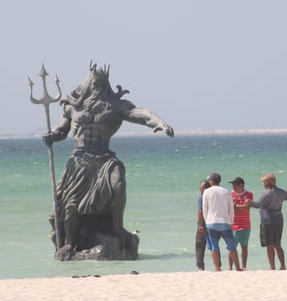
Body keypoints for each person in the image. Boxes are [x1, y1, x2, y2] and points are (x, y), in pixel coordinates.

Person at [43, 62, 174, 260]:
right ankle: (70, 241)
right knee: (71, 205)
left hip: (105, 158)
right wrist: (51, 136)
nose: (99, 88)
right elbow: (61, 130)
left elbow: (141, 114)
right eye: (96, 83)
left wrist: (159, 122)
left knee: (118, 184)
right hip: (79, 161)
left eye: (103, 84)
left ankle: (116, 227)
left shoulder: (114, 107)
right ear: (87, 83)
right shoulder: (73, 107)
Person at [250, 172, 287, 270]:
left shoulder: (266, 193)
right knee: (277, 245)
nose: (263, 183)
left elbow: (257, 205)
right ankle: (283, 266)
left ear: (269, 182)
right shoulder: (281, 192)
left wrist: (248, 202)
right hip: (278, 221)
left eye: (265, 181)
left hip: (267, 222)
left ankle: (272, 267)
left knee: (269, 245)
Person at [202, 172, 241, 271]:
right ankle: (237, 267)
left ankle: (217, 268)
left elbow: (204, 209)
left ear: (211, 180)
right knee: (231, 246)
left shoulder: (206, 192)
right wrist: (231, 221)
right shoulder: (226, 191)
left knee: (214, 246)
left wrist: (207, 221)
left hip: (211, 222)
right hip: (224, 221)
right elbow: (231, 208)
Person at [228, 177, 253, 270]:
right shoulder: (230, 194)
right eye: (233, 184)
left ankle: (244, 266)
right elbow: (229, 207)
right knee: (231, 248)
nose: (233, 186)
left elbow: (246, 207)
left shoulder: (249, 194)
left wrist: (234, 206)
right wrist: (239, 206)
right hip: (233, 225)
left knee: (244, 247)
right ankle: (230, 268)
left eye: (235, 184)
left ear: (241, 185)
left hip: (245, 225)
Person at [195, 179, 210, 271]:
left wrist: (200, 225)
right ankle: (217, 265)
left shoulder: (202, 197)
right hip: (212, 222)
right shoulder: (213, 196)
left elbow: (200, 211)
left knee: (199, 246)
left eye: (200, 187)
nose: (199, 189)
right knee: (214, 245)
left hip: (204, 223)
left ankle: (200, 267)